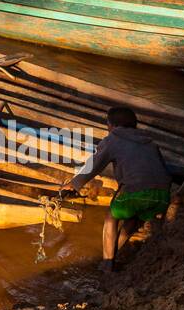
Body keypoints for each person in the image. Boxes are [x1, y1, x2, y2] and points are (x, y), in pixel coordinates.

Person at [62, 106, 172, 273]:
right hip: (163, 196)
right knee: (133, 219)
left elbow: (94, 166)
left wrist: (74, 184)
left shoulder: (112, 139)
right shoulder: (149, 142)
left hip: (136, 192)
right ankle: (114, 253)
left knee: (111, 218)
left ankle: (107, 263)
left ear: (110, 125)